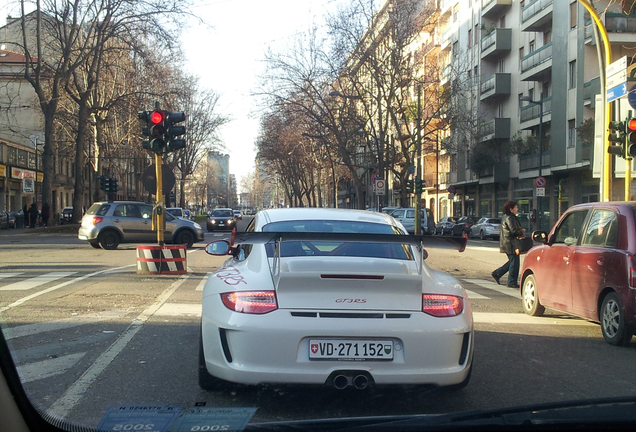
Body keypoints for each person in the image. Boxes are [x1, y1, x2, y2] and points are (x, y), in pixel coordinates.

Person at [492, 200, 526, 288]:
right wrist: (521, 231)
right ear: (511, 209)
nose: (517, 209)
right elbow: (513, 230)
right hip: (511, 243)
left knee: (512, 262)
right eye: (516, 207)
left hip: (508, 243)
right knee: (514, 263)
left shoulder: (506, 217)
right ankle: (511, 281)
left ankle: (497, 273)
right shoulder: (510, 218)